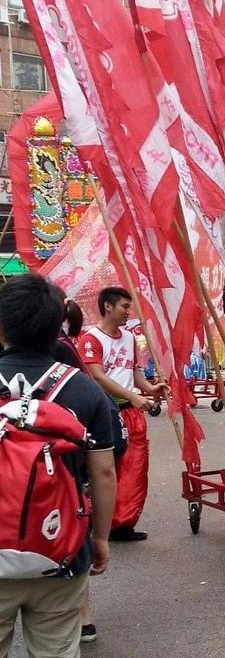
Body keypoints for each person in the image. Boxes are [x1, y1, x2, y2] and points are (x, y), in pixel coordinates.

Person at [0, 274, 116, 658]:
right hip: (62, 549)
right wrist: (99, 537)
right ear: (58, 326)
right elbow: (103, 472)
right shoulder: (86, 389)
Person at [77, 287, 168, 541]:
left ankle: (122, 523)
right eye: (125, 307)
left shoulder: (129, 338)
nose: (130, 312)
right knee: (102, 469)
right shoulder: (90, 339)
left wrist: (149, 388)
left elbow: (133, 372)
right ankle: (96, 520)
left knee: (134, 469)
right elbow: (96, 375)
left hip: (131, 414)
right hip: (103, 413)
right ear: (108, 306)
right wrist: (132, 396)